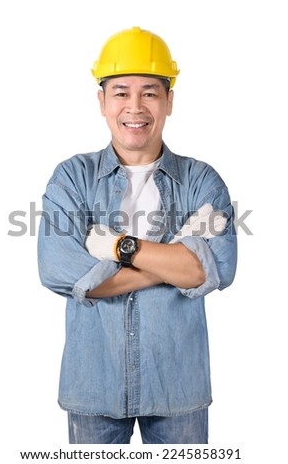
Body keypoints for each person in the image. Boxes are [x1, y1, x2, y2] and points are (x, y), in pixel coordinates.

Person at [37, 26, 237, 444]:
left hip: (178, 388)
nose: (135, 106)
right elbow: (58, 270)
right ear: (102, 101)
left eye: (149, 92)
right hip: (93, 385)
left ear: (169, 101)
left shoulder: (202, 181)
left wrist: (115, 248)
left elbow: (219, 267)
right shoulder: (72, 178)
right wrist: (176, 261)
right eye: (121, 92)